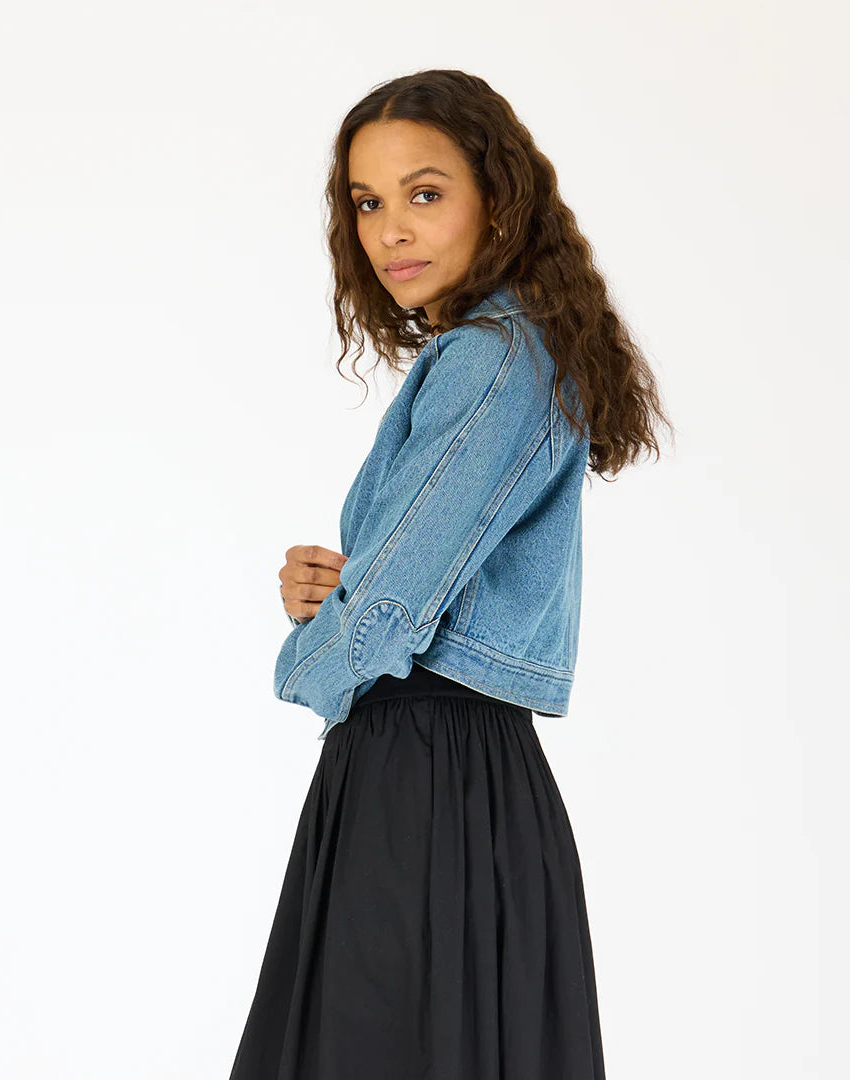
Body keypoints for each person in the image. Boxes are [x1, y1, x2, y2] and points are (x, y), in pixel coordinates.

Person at [229, 69, 672, 1080]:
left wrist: (310, 656)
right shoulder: (519, 352)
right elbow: (414, 579)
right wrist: (339, 590)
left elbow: (385, 612)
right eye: (368, 202)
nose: (392, 230)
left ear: (498, 200)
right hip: (453, 773)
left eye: (424, 194)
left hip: (419, 776)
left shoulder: (493, 359)